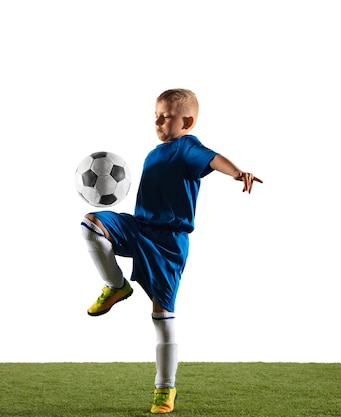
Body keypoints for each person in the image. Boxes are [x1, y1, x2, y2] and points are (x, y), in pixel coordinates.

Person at [80, 88, 261, 414]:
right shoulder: (154, 153)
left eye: (166, 116)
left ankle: (165, 389)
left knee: (161, 316)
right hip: (139, 227)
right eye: (156, 115)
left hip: (168, 243)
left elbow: (212, 156)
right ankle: (117, 286)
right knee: (91, 224)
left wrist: (236, 172)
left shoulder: (186, 148)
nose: (158, 121)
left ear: (187, 121)